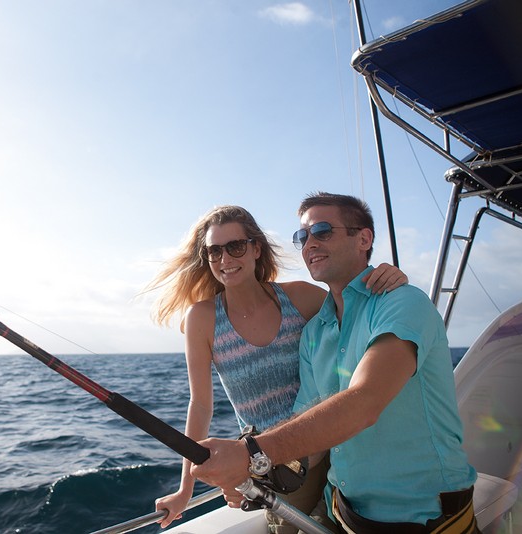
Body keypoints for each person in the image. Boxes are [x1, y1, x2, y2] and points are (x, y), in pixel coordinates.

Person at [190, 193, 479, 533]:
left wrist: (249, 453)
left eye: (323, 231)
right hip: (344, 510)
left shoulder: (401, 303)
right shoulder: (315, 332)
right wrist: (256, 471)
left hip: (423, 518)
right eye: (303, 236)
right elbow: (308, 424)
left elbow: (364, 402)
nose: (310, 243)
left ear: (364, 239)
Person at [144, 205, 408, 531]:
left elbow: (358, 311)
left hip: (338, 447)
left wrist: (387, 277)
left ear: (256, 248)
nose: (225, 259)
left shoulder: (301, 297)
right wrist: (185, 491)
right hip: (276, 469)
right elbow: (200, 405)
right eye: (214, 251)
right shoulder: (202, 318)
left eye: (235, 246)